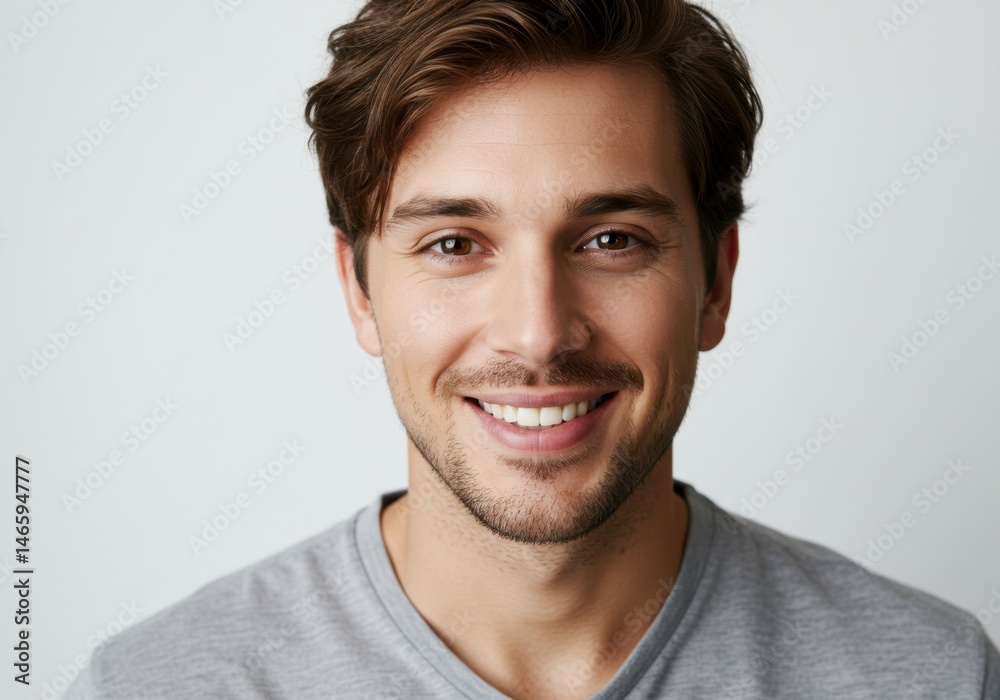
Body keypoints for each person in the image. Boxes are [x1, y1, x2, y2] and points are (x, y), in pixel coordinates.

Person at [66, 0, 1000, 697]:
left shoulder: (936, 678)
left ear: (715, 283)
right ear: (360, 290)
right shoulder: (150, 688)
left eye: (612, 240)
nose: (539, 332)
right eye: (454, 245)